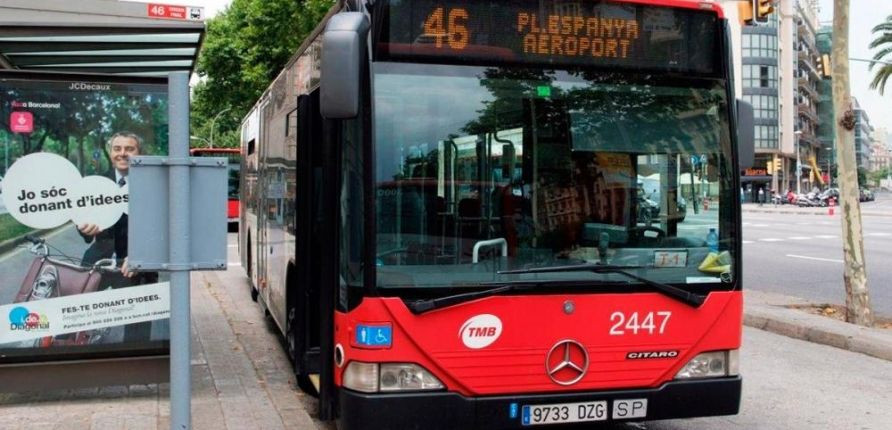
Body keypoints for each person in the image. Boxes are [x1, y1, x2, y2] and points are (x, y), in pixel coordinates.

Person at [78, 131, 158, 342]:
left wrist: (140, 256)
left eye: (129, 149)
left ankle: (135, 368)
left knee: (137, 330)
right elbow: (82, 219)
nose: (122, 153)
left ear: (139, 152)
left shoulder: (153, 185)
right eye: (117, 148)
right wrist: (85, 229)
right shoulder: (94, 183)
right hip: (98, 262)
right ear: (110, 152)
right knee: (78, 318)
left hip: (135, 264)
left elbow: (161, 227)